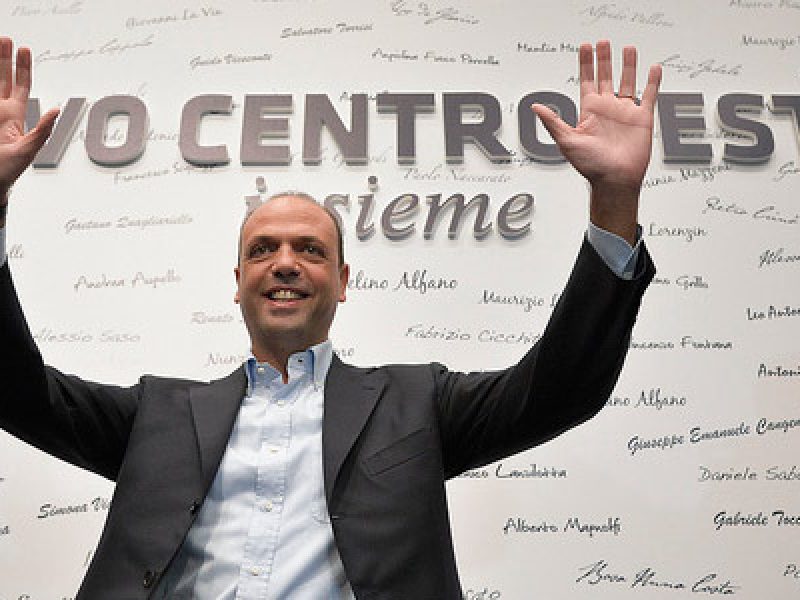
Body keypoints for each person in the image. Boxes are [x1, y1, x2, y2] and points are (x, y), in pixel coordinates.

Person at [0, 36, 661, 599]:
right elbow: (16, 392)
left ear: (343, 283)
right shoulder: (157, 415)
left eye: (311, 250)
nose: (286, 263)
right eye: (263, 250)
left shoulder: (417, 404)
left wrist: (614, 198)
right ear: (238, 283)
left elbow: (560, 390)